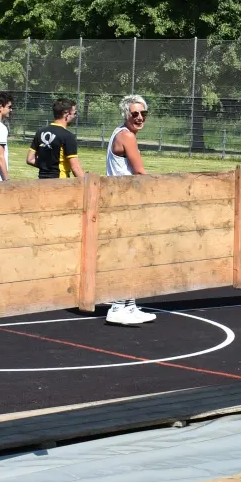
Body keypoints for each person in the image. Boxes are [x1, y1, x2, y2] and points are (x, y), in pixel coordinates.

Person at [105, 96, 157, 326]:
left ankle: (130, 305)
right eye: (134, 113)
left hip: (123, 202)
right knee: (126, 254)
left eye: (143, 114)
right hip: (121, 203)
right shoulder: (126, 136)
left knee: (133, 253)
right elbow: (139, 172)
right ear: (126, 114)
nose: (139, 117)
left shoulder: (123, 133)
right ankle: (117, 307)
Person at [27, 99, 82, 179]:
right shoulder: (68, 136)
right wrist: (86, 185)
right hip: (60, 184)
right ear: (66, 113)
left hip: (41, 182)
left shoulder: (40, 132)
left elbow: (30, 159)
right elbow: (75, 168)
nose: (75, 116)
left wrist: (45, 166)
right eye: (74, 113)